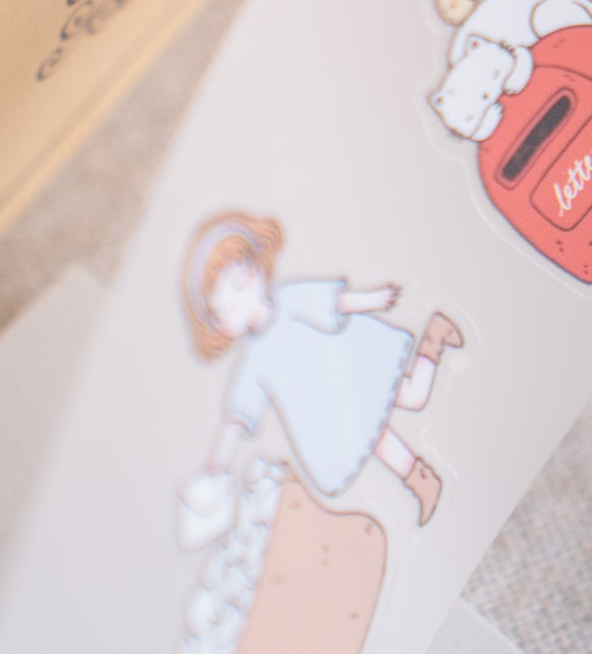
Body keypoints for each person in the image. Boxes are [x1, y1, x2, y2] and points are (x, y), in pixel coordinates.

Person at [183, 212, 462, 527]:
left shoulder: (289, 299)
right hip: (327, 405)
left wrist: (373, 299)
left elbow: (334, 302)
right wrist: (217, 463)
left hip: (349, 368)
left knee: (413, 397)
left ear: (254, 271)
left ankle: (435, 337)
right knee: (374, 438)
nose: (229, 316)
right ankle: (422, 482)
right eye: (220, 315)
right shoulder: (253, 360)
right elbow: (238, 416)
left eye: (237, 286)